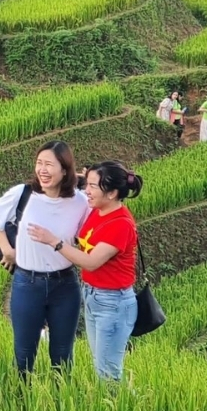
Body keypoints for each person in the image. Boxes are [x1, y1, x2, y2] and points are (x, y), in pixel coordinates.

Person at [28, 161, 143, 381]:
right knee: (102, 366)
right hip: (93, 296)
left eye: (92, 187)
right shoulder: (97, 210)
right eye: (86, 185)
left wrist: (54, 242)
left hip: (113, 303)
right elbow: (76, 193)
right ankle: (117, 410)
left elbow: (90, 262)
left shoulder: (120, 224)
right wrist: (81, 179)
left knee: (107, 372)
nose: (86, 191)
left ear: (111, 193)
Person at [0, 140, 89, 376]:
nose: (42, 170)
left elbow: (93, 230)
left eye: (49, 164)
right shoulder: (23, 194)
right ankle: (22, 404)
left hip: (65, 285)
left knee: (63, 355)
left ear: (64, 169)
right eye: (39, 163)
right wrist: (6, 249)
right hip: (27, 283)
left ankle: (60, 405)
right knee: (23, 355)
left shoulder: (79, 202)